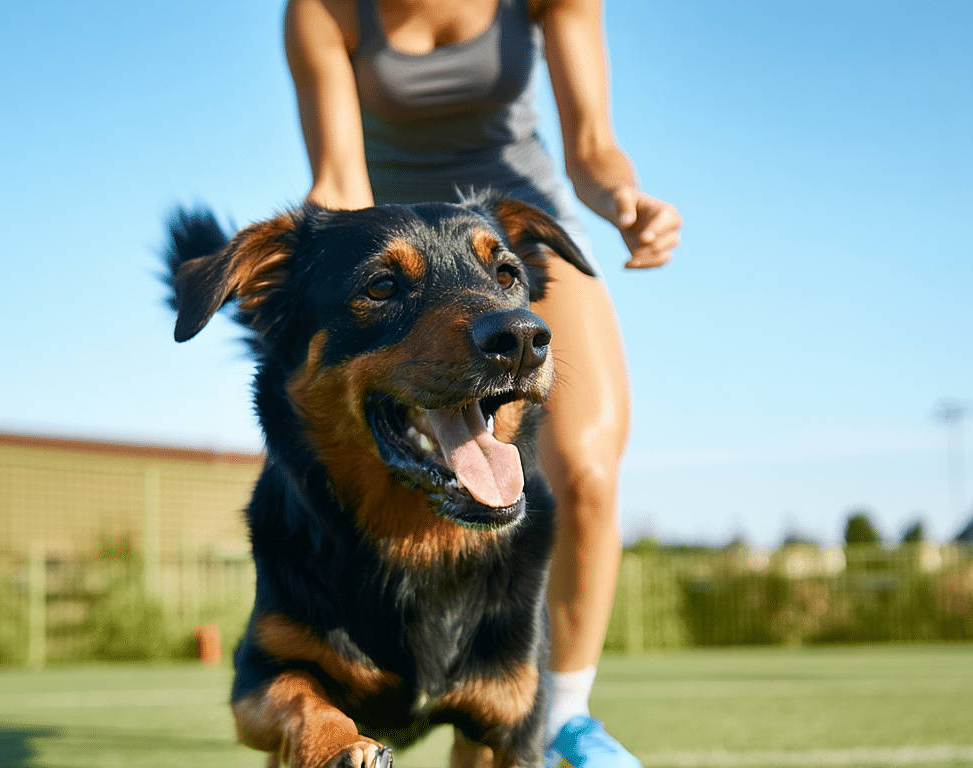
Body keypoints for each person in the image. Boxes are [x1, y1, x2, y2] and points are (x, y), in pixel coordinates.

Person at [282, 0, 681, 765]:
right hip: (403, 271)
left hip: (511, 250)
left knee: (587, 473)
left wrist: (626, 204)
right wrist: (320, 285)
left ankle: (561, 711)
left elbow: (594, 147)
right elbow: (338, 181)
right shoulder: (323, 11)